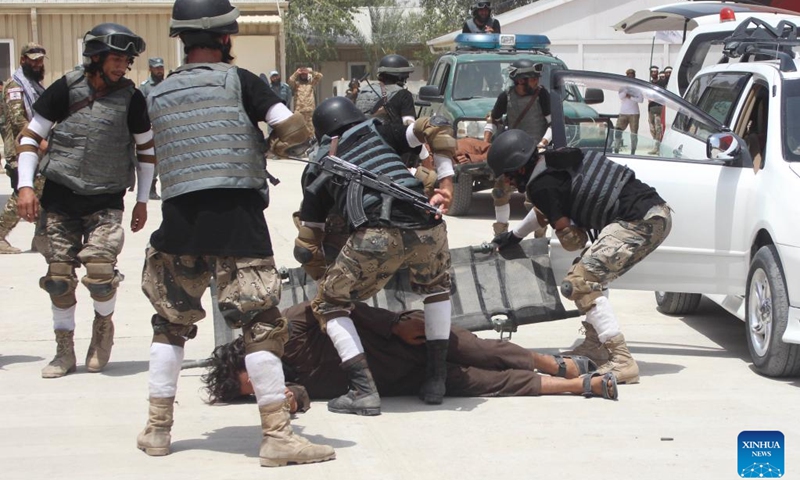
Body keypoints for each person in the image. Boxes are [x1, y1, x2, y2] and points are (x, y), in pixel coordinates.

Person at [135, 0, 334, 468]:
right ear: (226, 38)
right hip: (239, 219)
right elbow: (295, 129)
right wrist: (268, 144)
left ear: (182, 41)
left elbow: (143, 149)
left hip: (179, 218)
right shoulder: (240, 81)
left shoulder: (155, 93)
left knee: (170, 324)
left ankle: (158, 430)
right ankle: (278, 436)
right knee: (260, 325)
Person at [296, 96, 456, 415]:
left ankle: (363, 391)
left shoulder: (317, 166)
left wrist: (325, 279)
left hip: (378, 234)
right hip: (428, 224)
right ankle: (437, 379)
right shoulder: (380, 131)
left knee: (328, 303)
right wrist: (446, 184)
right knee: (437, 289)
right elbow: (436, 124)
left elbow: (307, 245)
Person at [15, 24, 154, 379]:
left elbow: (146, 150)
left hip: (106, 198)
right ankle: (64, 350)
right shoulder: (66, 88)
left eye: (126, 61)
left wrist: (142, 200)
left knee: (100, 273)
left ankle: (102, 330)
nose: (122, 66)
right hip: (60, 197)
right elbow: (31, 137)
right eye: (116, 59)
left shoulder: (132, 98)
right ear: (95, 57)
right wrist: (26, 187)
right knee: (59, 278)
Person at [487, 129, 672, 385]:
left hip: (640, 222)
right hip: (653, 213)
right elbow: (548, 208)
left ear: (519, 168)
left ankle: (621, 360)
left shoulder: (541, 185)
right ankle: (595, 346)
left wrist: (566, 226)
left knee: (580, 282)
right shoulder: (555, 161)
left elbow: (574, 241)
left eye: (507, 176)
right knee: (589, 272)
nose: (506, 183)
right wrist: (515, 236)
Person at [203, 301, 617, 404]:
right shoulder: (285, 387)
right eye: (253, 393)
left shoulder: (289, 325)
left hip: (399, 337)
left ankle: (550, 360)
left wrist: (395, 325)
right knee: (483, 384)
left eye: (255, 380)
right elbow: (309, 399)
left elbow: (338, 306)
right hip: (406, 380)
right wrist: (294, 401)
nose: (263, 389)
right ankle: (576, 385)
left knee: (480, 350)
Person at [484, 59, 551, 236]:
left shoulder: (543, 96)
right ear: (521, 80)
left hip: (537, 155)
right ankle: (501, 234)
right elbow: (494, 120)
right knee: (499, 192)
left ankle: (539, 239)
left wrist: (543, 143)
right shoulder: (505, 96)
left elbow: (553, 124)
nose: (537, 82)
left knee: (537, 199)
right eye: (533, 79)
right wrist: (486, 141)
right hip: (512, 155)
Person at [0, 42, 47, 254]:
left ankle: (42, 236)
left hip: (37, 146)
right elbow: (18, 120)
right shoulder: (16, 86)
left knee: (47, 190)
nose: (37, 64)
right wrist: (40, 140)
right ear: (23, 60)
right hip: (22, 148)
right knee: (25, 190)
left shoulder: (34, 85)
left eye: (40, 60)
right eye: (33, 59)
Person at [355, 54, 416, 126]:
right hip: (387, 136)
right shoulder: (403, 94)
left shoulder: (364, 90)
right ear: (401, 77)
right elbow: (409, 124)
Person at [139, 57, 166, 200]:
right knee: (153, 159)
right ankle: (150, 188)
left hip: (165, 127)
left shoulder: (168, 84)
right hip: (151, 128)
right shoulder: (145, 87)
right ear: (150, 69)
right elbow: (140, 109)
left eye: (161, 67)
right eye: (156, 68)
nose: (159, 70)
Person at [613, 69, 643, 155]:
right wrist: (626, 88)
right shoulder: (623, 87)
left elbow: (640, 100)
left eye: (632, 75)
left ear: (634, 76)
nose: (630, 77)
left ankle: (633, 151)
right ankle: (616, 150)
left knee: (633, 134)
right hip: (623, 113)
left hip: (634, 113)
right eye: (628, 75)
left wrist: (630, 97)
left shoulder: (637, 87)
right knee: (618, 131)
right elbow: (621, 96)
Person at [288, 66, 323, 139]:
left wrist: (310, 72)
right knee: (300, 129)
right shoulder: (297, 84)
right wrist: (297, 73)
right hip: (299, 111)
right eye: (302, 75)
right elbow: (290, 81)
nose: (303, 76)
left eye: (305, 75)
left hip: (309, 111)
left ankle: (312, 143)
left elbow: (320, 76)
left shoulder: (310, 83)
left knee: (311, 130)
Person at [647, 65, 667, 155]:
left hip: (658, 108)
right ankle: (656, 144)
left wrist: (654, 98)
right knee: (652, 129)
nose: (654, 73)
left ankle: (657, 147)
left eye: (655, 72)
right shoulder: (649, 84)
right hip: (651, 109)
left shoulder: (661, 83)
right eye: (652, 72)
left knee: (658, 128)